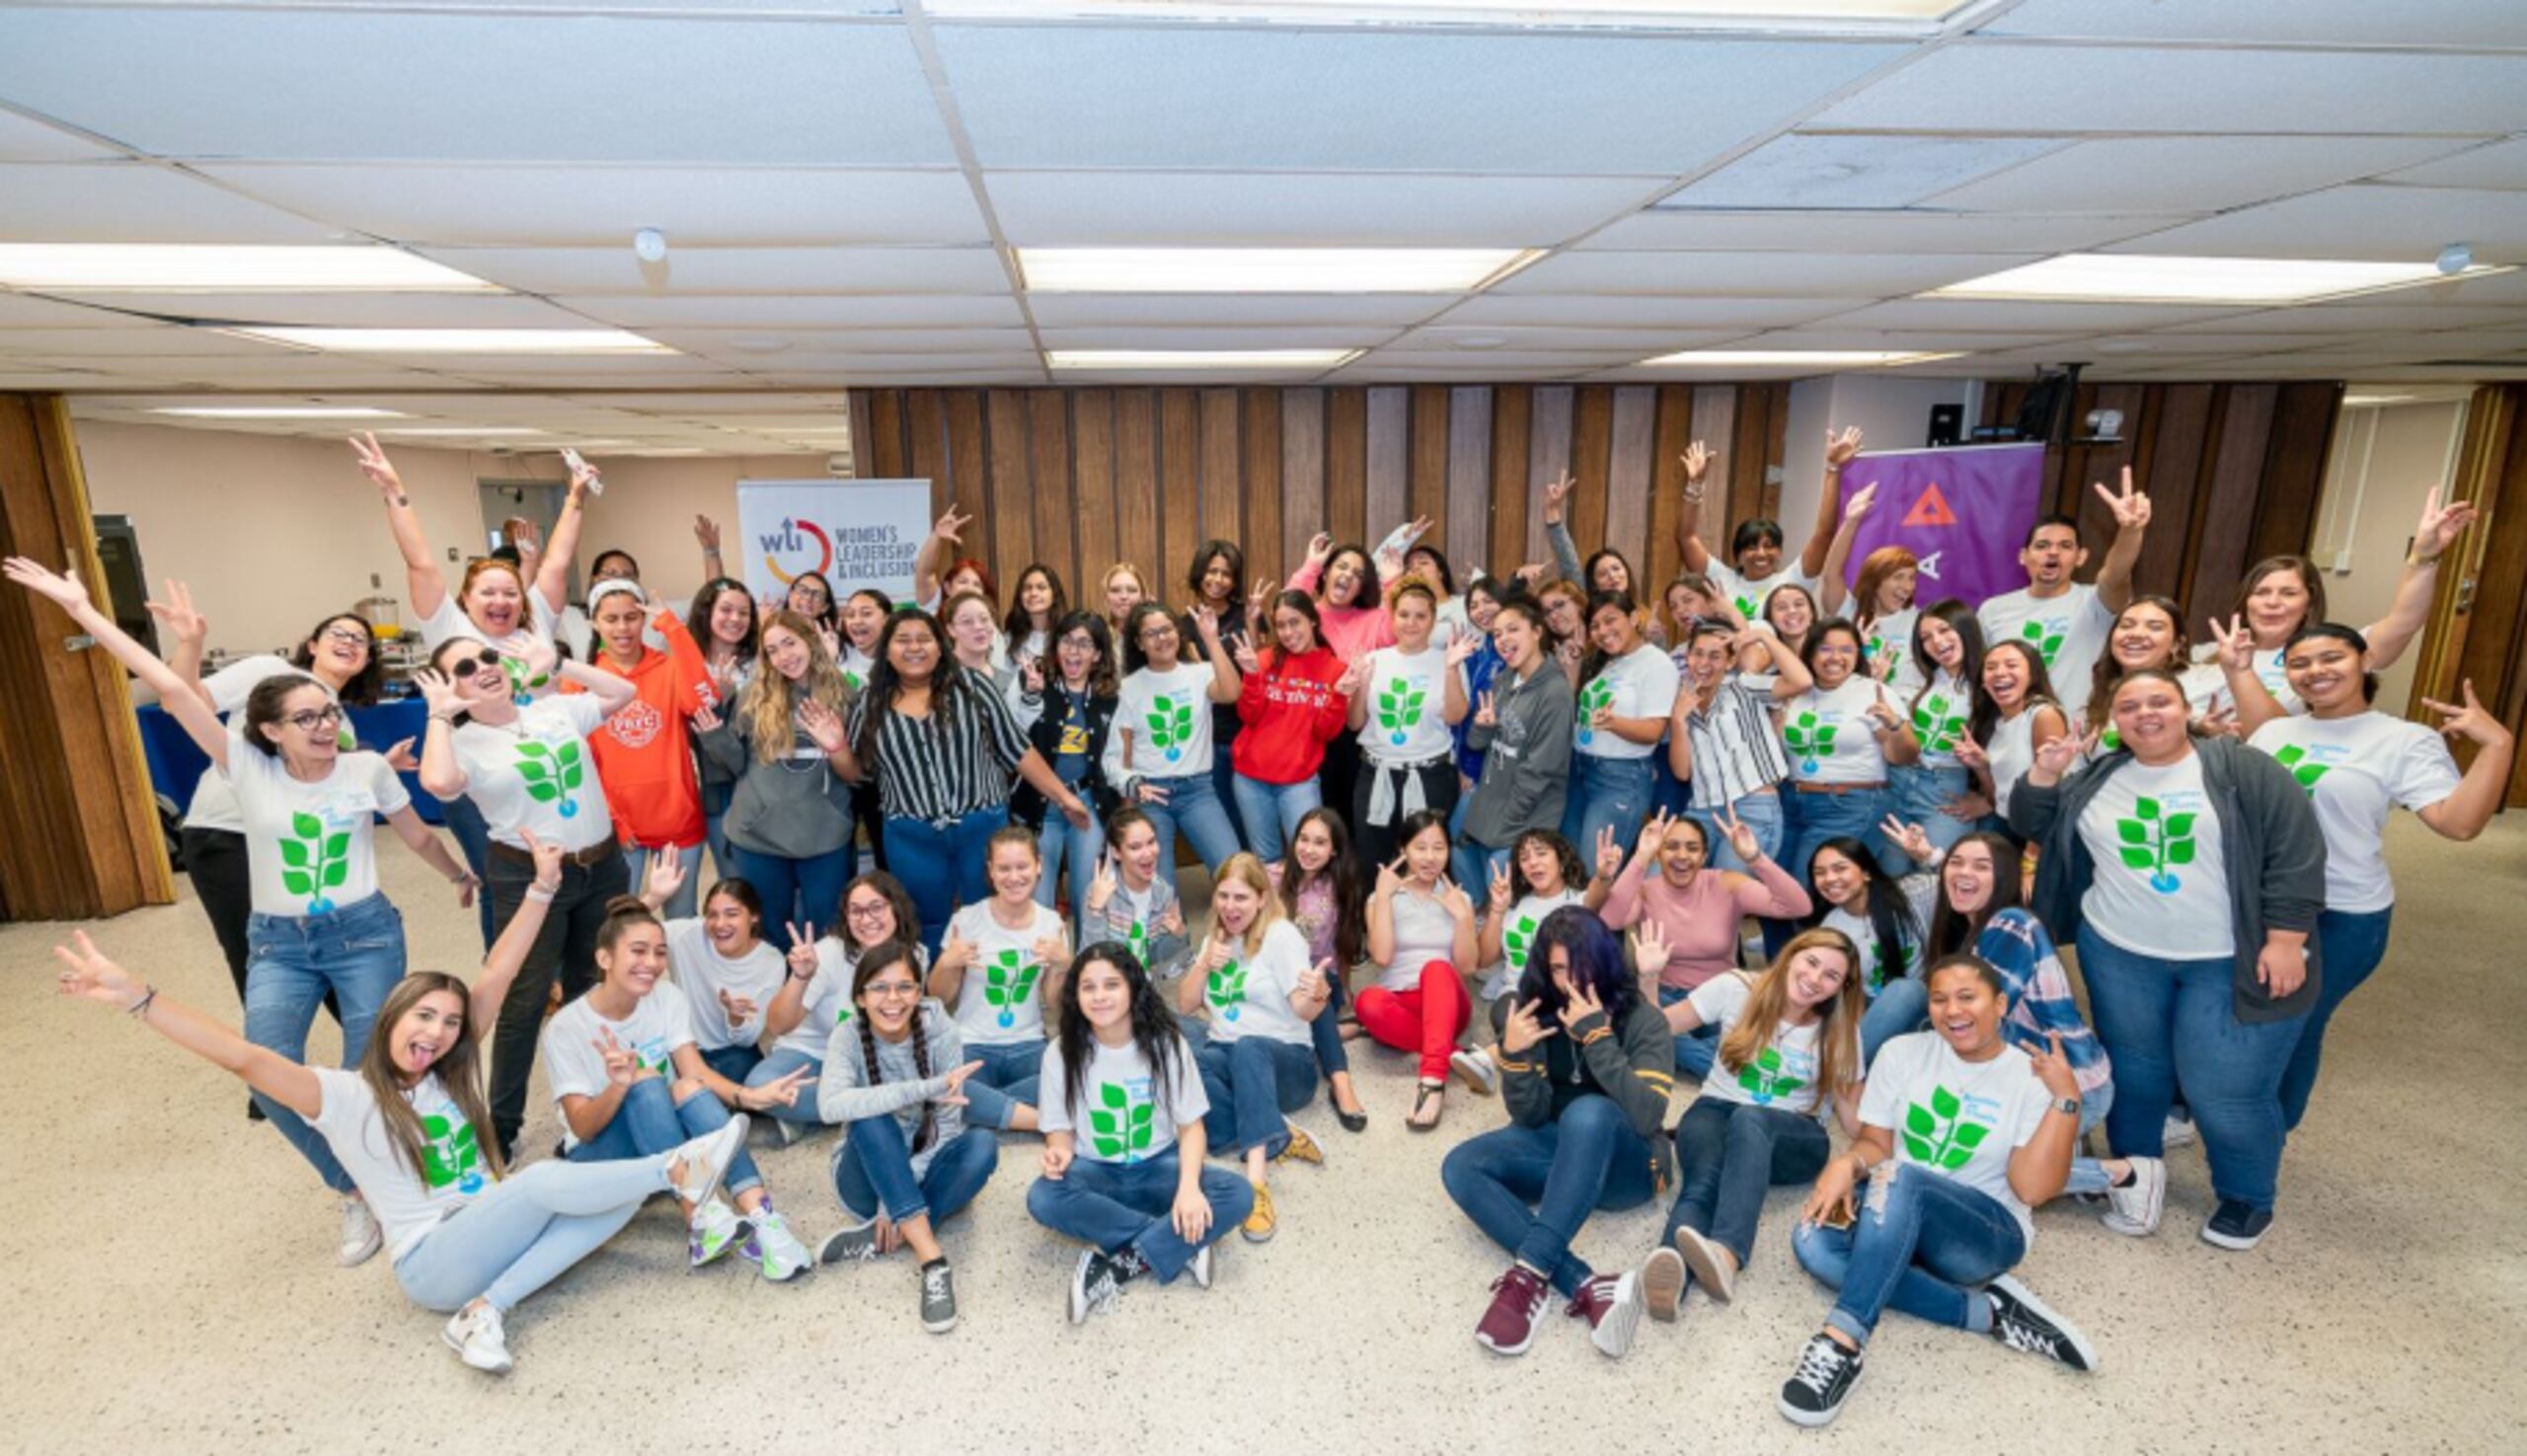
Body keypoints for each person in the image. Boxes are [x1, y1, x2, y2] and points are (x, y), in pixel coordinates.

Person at [47, 840, 754, 1376]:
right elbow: (244, 1058)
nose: (438, 1033)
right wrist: (139, 997)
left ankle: (487, 1312)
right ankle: (678, 1169)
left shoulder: (449, 1076)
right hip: (433, 1260)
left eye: (450, 1023)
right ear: (389, 1016)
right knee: (542, 1180)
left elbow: (500, 972)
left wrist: (541, 887)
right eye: (424, 1016)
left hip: (487, 1239)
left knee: (606, 1206)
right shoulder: (345, 1095)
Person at [8, 559, 477, 1263]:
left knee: (363, 1078)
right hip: (280, 944)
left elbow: (416, 834)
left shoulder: (367, 768)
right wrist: (82, 610)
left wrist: (457, 874)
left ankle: (394, 1183)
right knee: (267, 1069)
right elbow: (170, 688)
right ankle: (353, 1188)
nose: (324, 724)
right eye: (304, 717)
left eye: (328, 713)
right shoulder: (245, 766)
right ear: (269, 730)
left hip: (366, 937)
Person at [2009, 668, 2325, 1252]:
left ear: (2187, 709)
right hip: (2122, 954)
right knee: (2134, 1073)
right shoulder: (2101, 777)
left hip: (2227, 957)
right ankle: (2134, 1175)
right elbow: (2034, 825)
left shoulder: (2241, 769)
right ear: (2113, 720)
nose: (2145, 714)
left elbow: (2296, 850)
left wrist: (2286, 938)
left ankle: (2247, 1195)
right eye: (2129, 706)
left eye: (2160, 702)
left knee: (2223, 1089)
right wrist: (2046, 775)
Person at [1777, 956, 2096, 1427]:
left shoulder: (2030, 1076)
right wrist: (1848, 1162)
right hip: (1895, 1207)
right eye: (1940, 999)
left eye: (1968, 997)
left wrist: (2065, 1099)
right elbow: (1876, 1144)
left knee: (1900, 1178)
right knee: (1813, 1240)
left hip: (1985, 1232)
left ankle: (1841, 1343)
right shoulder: (1903, 1053)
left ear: (2000, 1004)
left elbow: (2033, 1188)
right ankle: (1988, 1313)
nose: (1952, 1010)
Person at [2225, 625, 2512, 1130]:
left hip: (2343, 911)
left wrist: (2497, 746)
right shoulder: (2273, 733)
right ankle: (2225, 1111)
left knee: (2297, 1021)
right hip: (2265, 902)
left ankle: (2264, 1136)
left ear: (2364, 662)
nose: (2315, 672)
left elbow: (2458, 824)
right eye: (2300, 663)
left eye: (2331, 657)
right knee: (2243, 1012)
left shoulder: (2401, 739)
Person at [352, 434, 591, 944]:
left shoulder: (538, 627)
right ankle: (505, 971)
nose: (501, 600)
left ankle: (560, 966)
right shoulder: (452, 632)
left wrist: (575, 497)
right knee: (500, 878)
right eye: (488, 592)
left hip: (541, 769)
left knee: (559, 870)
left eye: (509, 591)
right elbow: (421, 564)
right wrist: (394, 492)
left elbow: (556, 563)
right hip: (478, 775)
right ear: (467, 598)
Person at [412, 635, 638, 1159]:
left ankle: (587, 1112)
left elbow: (623, 691)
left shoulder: (553, 709)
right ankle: (502, 1127)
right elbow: (439, 783)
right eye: (465, 667)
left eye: (488, 657)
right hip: (529, 878)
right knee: (523, 999)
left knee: (592, 989)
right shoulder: (461, 742)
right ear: (452, 686)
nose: (484, 669)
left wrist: (557, 662)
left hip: (601, 867)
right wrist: (440, 717)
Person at [541, 894, 818, 1280]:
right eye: (638, 952)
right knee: (647, 1080)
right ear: (604, 958)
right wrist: (621, 1085)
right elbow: (583, 1129)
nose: (652, 964)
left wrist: (750, 1097)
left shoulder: (667, 998)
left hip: (665, 1146)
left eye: (659, 953)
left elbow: (696, 1071)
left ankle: (764, 1220)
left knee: (687, 1087)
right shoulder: (566, 1028)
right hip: (599, 1159)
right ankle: (698, 1217)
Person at [1441, 907, 1672, 1360]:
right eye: (1561, 968)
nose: (1573, 980)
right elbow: (1528, 1117)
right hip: (1564, 1156)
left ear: (1606, 960)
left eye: (1583, 964)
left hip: (1629, 1167)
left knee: (1587, 1113)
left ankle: (1528, 1275)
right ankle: (1583, 1283)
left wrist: (1598, 1039)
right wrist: (1514, 1056)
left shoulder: (1644, 1020)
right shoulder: (1541, 1013)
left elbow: (1648, 1117)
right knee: (1460, 1166)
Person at [154, 596, 394, 1017]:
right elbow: (184, 700)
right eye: (339, 633)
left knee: (337, 947)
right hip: (227, 834)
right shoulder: (269, 671)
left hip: (299, 844)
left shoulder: (342, 725)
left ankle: (374, 1057)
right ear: (313, 644)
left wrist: (379, 769)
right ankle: (273, 1059)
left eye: (362, 640)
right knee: (256, 955)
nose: (351, 641)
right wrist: (190, 644)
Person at [1921, 831, 2163, 1232]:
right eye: (1956, 863)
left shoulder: (2012, 925)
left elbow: (1977, 1024)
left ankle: (2125, 1174)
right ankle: (2063, 1149)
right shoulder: (1978, 929)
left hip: (2070, 1086)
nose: (1963, 872)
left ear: (2006, 879)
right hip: (2037, 1081)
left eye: (1982, 866)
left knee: (1966, 1163)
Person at [1640, 928, 1865, 1325]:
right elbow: (1657, 1028)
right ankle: (1669, 1276)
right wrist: (1649, 977)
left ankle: (1727, 1254)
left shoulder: (1842, 1030)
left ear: (1842, 988)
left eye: (1831, 976)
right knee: (1704, 1180)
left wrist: (1876, 1156)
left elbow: (1853, 1119)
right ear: (1792, 955)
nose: (1815, 979)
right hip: (1716, 1108)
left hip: (1795, 1135)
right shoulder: (1736, 987)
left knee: (1750, 1118)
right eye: (1811, 962)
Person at [1028, 943, 1254, 1324]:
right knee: (1043, 1197)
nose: (1100, 996)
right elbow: (1059, 1130)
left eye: (1111, 985)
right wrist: (1059, 1152)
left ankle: (1116, 1267)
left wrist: (1188, 1188)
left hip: (1158, 1166)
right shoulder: (1060, 1052)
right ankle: (1181, 1244)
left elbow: (1192, 1128)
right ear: (1075, 995)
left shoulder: (1166, 1044)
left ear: (1133, 988)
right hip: (1096, 1171)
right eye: (1088, 987)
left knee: (1238, 1193)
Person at [844, 608, 1093, 951]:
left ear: (941, 645)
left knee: (995, 916)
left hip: (981, 829)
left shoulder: (973, 687)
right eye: (903, 640)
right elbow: (858, 772)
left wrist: (1064, 798)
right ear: (887, 649)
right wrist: (833, 749)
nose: (914, 647)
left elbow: (1017, 749)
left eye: (924, 639)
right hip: (911, 837)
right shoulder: (868, 703)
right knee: (925, 922)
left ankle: (998, 995)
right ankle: (937, 997)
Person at [814, 942, 998, 1335]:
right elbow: (830, 1106)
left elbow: (947, 1128)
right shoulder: (846, 1035)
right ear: (860, 998)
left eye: (904, 987)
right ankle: (932, 1259)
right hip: (862, 1179)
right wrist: (924, 1089)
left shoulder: (942, 1031)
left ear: (919, 992)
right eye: (879, 988)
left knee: (981, 1146)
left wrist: (893, 1200)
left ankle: (886, 1231)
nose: (892, 999)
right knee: (867, 1115)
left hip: (919, 1173)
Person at [2196, 488, 2476, 714]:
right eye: (2261, 593)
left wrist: (2424, 555)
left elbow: (2404, 622)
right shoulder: (2204, 654)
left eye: (2288, 593)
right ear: (2246, 601)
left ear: (2309, 602)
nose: (2272, 602)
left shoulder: (2330, 655)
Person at [1180, 853, 1332, 1243]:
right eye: (1223, 896)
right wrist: (1202, 966)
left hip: (1286, 1064)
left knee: (1248, 1047)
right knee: (1186, 1064)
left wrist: (1318, 994)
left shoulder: (1280, 936)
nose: (1230, 907)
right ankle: (1274, 1131)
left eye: (1241, 898)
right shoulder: (1216, 938)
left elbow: (1302, 1009)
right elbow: (1185, 1005)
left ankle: (1257, 1186)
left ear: (1262, 898)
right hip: (1226, 1053)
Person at [1601, 808, 1810, 1079]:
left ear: (1703, 855)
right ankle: (1727, 1069)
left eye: (1692, 848)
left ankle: (1675, 1052)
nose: (1682, 856)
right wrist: (1640, 859)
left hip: (1721, 995)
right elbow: (1609, 920)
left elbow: (1798, 907)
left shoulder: (1726, 882)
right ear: (1659, 854)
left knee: (1658, 1037)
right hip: (1664, 996)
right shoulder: (1645, 889)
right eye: (1671, 847)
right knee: (1638, 1018)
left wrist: (1755, 859)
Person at [693, 609, 856, 953]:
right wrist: (715, 736)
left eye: (789, 643)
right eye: (773, 650)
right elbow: (737, 765)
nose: (784, 656)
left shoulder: (845, 693)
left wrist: (835, 744)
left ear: (809, 640)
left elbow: (860, 771)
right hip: (759, 836)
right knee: (769, 933)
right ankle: (778, 1001)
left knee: (829, 930)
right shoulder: (753, 696)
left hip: (824, 833)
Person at [574, 580, 717, 920]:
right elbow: (582, 764)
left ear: (643, 620)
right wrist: (611, 820)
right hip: (619, 827)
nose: (622, 628)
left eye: (631, 617)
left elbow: (704, 700)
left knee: (681, 924)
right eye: (611, 619)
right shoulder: (581, 680)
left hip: (677, 819)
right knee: (618, 923)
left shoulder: (667, 669)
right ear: (594, 622)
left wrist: (674, 630)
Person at [751, 871, 927, 1139]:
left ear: (897, 908)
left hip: (869, 1059)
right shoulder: (827, 953)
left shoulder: (916, 955)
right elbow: (777, 1025)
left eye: (876, 907)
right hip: (811, 1053)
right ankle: (872, 1107)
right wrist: (800, 977)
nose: (866, 919)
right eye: (855, 911)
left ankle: (822, 1114)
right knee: (760, 1086)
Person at [1776, 620, 1917, 935]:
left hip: (1850, 803)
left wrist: (1893, 724)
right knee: (1777, 889)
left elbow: (1904, 755)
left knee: (1808, 891)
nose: (1835, 657)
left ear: (1858, 655)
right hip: (1791, 802)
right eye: (1825, 648)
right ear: (1809, 653)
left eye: (1846, 650)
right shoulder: (1795, 691)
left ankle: (1821, 970)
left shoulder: (1872, 691)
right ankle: (1782, 969)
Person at [930, 826, 1070, 1135]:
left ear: (1039, 866)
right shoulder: (966, 920)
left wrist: (1062, 966)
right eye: (1003, 868)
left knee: (1068, 1079)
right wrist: (947, 963)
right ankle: (1029, 1117)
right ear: (990, 872)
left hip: (1029, 1044)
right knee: (946, 1085)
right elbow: (939, 998)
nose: (1014, 877)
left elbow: (1055, 1003)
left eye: (1022, 867)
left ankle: (988, 1112)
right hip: (972, 1043)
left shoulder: (1051, 923)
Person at [1973, 468, 2151, 709]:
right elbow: (1979, 674)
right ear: (2023, 556)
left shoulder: (2096, 601)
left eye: (2065, 546)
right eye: (2042, 545)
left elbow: (2116, 574)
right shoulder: (1993, 609)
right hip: (2008, 733)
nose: (2053, 552)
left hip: (2075, 737)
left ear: (2081, 557)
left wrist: (2130, 531)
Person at [1107, 601, 1244, 890]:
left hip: (1198, 791)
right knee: (1159, 893)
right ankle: (1170, 936)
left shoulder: (1200, 673)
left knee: (1236, 874)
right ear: (1139, 643)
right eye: (1151, 634)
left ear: (1178, 632)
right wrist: (1130, 791)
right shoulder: (1130, 687)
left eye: (1166, 629)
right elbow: (1118, 755)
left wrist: (1210, 638)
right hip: (1151, 794)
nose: (1161, 638)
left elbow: (1232, 692)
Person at [1357, 810, 1480, 1131]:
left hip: (1446, 1003)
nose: (1430, 857)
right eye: (1420, 847)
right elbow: (1381, 957)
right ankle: (1458, 1055)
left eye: (1439, 848)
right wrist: (1383, 897)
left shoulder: (1459, 897)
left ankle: (1432, 1081)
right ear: (1403, 850)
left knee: (1437, 968)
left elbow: (1467, 967)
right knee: (1367, 1002)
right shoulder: (1380, 897)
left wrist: (1464, 918)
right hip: (1400, 1002)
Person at [1455, 597, 1574, 898]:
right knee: (1457, 855)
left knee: (1501, 885)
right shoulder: (1505, 679)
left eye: (1512, 630)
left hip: (1525, 814)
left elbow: (1539, 770)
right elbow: (1475, 743)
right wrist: (1482, 726)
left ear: (1537, 632)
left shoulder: (1555, 692)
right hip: (1492, 801)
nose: (1503, 639)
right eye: (1496, 634)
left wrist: (1509, 824)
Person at [1347, 576, 1471, 870]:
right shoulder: (1374, 659)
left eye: (1420, 616)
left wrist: (1452, 670)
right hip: (1376, 774)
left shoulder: (1448, 660)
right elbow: (1354, 724)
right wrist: (1361, 684)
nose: (1411, 623)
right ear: (1392, 618)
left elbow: (1455, 716)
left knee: (1425, 867)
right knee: (1372, 864)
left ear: (1432, 620)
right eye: (1403, 615)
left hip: (1431, 777)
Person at [1231, 587, 1348, 866]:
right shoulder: (1264, 659)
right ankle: (1273, 911)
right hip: (1251, 778)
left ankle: (1308, 911)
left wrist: (1340, 696)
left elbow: (1326, 733)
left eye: (1294, 622)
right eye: (1280, 625)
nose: (1287, 632)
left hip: (1299, 782)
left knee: (1309, 860)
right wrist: (1250, 677)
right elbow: (1248, 715)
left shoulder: (1335, 669)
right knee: (1267, 860)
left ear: (1313, 621)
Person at [1667, 620, 1794, 879]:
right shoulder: (1681, 700)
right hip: (1702, 810)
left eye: (1715, 656)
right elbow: (1682, 773)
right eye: (1698, 654)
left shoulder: (1745, 686)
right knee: (1659, 875)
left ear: (1729, 661)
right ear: (1687, 656)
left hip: (1752, 808)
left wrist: (1762, 636)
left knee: (1726, 890)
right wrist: (1678, 720)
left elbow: (1801, 680)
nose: (1704, 663)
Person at [1674, 431, 1845, 622]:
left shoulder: (1791, 581)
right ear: (1738, 555)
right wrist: (1695, 483)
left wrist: (1833, 468)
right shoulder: (1722, 580)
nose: (1761, 553)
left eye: (1769, 545)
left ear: (1780, 552)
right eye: (1751, 547)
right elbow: (1686, 537)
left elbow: (1824, 535)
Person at [1015, 610, 1120, 915]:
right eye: (1067, 641)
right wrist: (1031, 696)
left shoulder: (1110, 698)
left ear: (1098, 654)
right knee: (1040, 903)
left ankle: (1085, 962)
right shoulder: (1033, 682)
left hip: (1088, 806)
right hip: (1040, 806)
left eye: (1085, 644)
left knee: (1088, 899)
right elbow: (1014, 738)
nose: (1074, 651)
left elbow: (1115, 757)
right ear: (1055, 647)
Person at [641, 863, 784, 1086]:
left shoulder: (771, 962)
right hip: (682, 1049)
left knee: (751, 1076)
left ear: (754, 916)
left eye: (732, 914)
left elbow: (748, 1039)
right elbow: (619, 931)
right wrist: (654, 897)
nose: (720, 924)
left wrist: (735, 1018)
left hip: (731, 1053)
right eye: (712, 915)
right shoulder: (686, 935)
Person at [1564, 588, 1680, 859]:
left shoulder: (1656, 663)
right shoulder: (1611, 663)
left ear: (1634, 618)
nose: (1603, 631)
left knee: (1596, 872)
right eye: (1594, 626)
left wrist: (1613, 722)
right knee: (1571, 864)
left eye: (1610, 620)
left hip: (1619, 779)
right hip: (1581, 771)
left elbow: (1654, 730)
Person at [1802, 832, 1936, 1066]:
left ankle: (1842, 1071)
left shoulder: (1910, 895)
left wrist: (1929, 857)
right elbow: (1846, 996)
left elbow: (1963, 882)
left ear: (1866, 872)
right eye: (1819, 873)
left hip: (1923, 1008)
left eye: (1839, 868)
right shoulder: (1831, 927)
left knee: (1906, 989)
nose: (1829, 878)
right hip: (1869, 1016)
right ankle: (1844, 1069)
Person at [1276, 806, 1371, 1130]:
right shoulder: (1272, 878)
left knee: (1316, 1000)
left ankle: (1341, 1083)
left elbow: (1342, 944)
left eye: (1319, 842)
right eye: (1303, 839)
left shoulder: (1340, 886)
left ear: (1334, 851)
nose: (1308, 849)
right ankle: (1338, 1032)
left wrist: (1343, 987)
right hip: (1278, 981)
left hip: (1320, 979)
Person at [1882, 600, 1986, 874]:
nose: (1936, 642)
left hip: (1946, 791)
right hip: (1900, 782)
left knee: (1939, 875)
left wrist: (1989, 801)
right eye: (1925, 637)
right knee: (1893, 878)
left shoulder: (1989, 681)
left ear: (1965, 628)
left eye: (1944, 630)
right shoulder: (1922, 676)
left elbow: (2008, 747)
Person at [684, 576, 760, 878]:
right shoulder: (685, 665)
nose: (735, 619)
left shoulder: (762, 663)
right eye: (726, 610)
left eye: (744, 613)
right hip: (712, 792)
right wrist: (716, 700)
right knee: (733, 880)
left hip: (756, 788)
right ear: (707, 613)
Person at [1184, 539, 1256, 848]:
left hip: (1249, 730)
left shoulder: (1246, 614)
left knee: (1250, 812)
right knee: (1223, 811)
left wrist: (1252, 622)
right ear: (1200, 573)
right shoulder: (1186, 621)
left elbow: (1255, 666)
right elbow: (1203, 680)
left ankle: (1253, 882)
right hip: (1211, 736)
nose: (1218, 580)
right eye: (1212, 571)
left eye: (1226, 573)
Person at [1818, 482, 1922, 691]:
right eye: (1898, 577)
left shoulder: (1920, 622)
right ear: (1875, 581)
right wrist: (1851, 522)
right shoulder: (1849, 612)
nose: (1907, 586)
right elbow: (1831, 575)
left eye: (1912, 578)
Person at [1079, 805, 1193, 982]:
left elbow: (1168, 966)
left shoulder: (1163, 892)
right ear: (1116, 852)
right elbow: (1089, 960)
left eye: (1151, 842)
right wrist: (1095, 910)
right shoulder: (1101, 893)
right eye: (1135, 847)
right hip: (1109, 991)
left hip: (1146, 991)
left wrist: (1179, 936)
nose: (1148, 853)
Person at [1969, 638, 2068, 828]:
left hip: (2037, 828)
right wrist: (1981, 767)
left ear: (2033, 674)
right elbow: (1998, 802)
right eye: (1990, 668)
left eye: (2011, 665)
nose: (2000, 673)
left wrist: (2034, 845)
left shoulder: (2043, 715)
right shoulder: (1995, 723)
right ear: (1983, 683)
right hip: (2008, 824)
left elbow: (2052, 790)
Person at [1003, 562, 1069, 678]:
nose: (1033, 593)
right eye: (1027, 588)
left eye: (1041, 587)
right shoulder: (1008, 641)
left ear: (1054, 595)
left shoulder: (1068, 638)